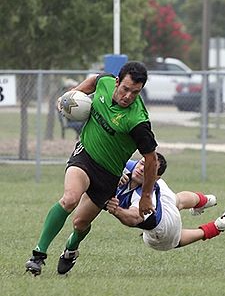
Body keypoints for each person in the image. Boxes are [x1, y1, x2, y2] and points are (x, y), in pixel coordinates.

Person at [25, 61, 158, 276]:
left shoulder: (138, 121)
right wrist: (71, 95)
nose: (128, 96)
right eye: (125, 89)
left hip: (109, 175)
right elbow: (93, 81)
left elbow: (151, 160)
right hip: (85, 155)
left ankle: (71, 248)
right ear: (117, 82)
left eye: (135, 92)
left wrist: (146, 196)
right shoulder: (105, 82)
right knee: (69, 199)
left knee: (80, 223)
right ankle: (37, 256)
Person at [56, 153, 225, 275]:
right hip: (162, 193)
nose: (142, 168)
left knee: (173, 240)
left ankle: (216, 227)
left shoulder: (145, 198)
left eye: (148, 168)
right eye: (143, 162)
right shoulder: (131, 166)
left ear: (155, 177)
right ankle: (207, 200)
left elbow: (134, 218)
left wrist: (117, 210)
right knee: (178, 200)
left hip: (163, 226)